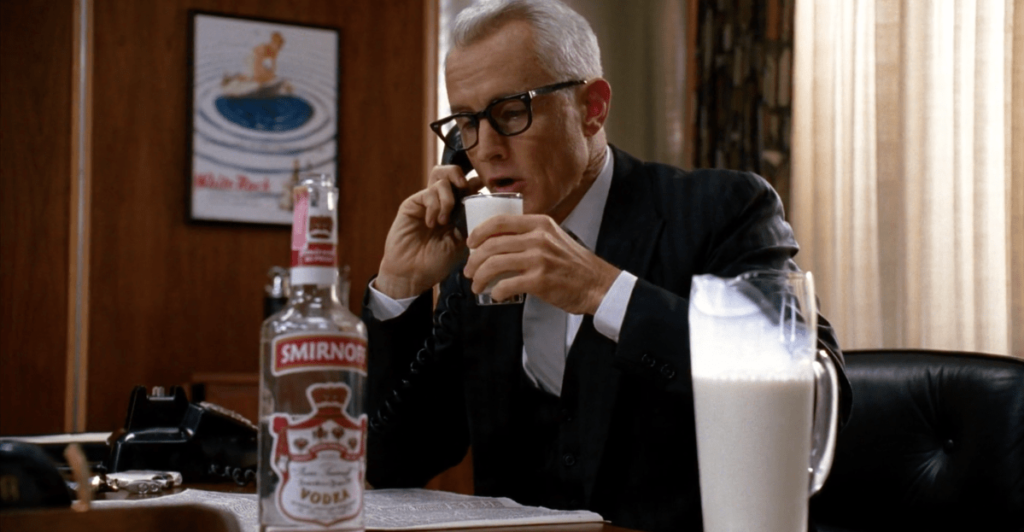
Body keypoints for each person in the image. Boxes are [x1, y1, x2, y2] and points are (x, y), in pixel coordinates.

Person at [362, 1, 851, 531]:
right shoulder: (479, 254)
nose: (487, 149)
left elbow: (807, 393)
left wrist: (605, 291)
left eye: (511, 112)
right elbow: (391, 466)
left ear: (592, 108)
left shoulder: (722, 210)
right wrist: (399, 289)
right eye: (467, 123)